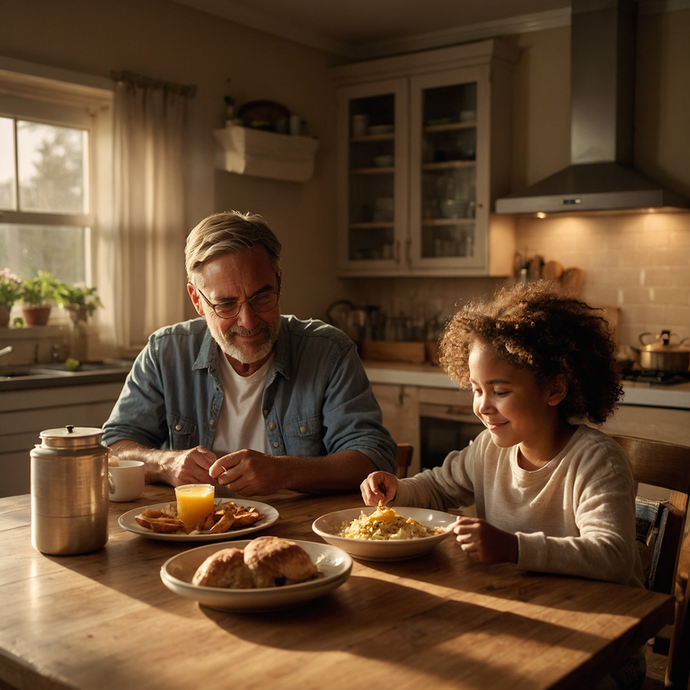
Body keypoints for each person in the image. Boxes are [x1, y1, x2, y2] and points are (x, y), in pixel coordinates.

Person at [360, 281, 646, 690]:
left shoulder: (596, 460)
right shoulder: (488, 450)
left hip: (605, 648)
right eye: (477, 390)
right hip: (528, 616)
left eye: (500, 391)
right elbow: (439, 488)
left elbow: (613, 556)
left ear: (554, 389)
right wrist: (397, 489)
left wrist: (513, 547)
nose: (482, 406)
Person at [103, 210, 397, 495]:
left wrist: (285, 472)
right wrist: (165, 463)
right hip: (190, 533)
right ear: (197, 300)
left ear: (279, 282)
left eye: (262, 297)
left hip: (300, 531)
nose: (248, 321)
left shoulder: (329, 352)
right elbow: (113, 447)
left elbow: (373, 457)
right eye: (227, 304)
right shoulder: (165, 352)